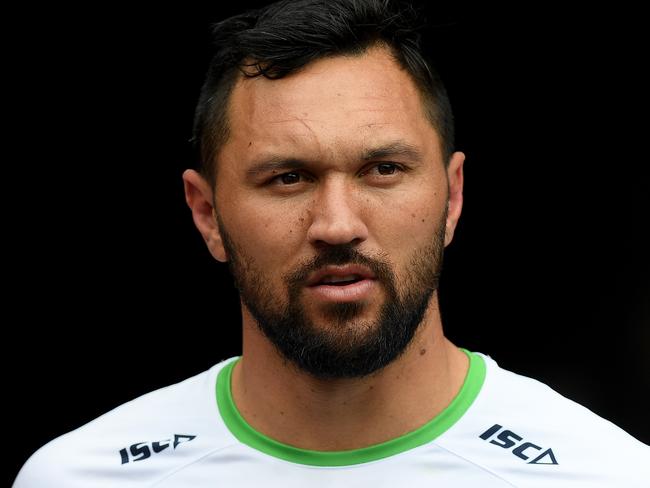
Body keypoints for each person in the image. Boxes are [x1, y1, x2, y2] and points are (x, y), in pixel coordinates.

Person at [13, 0, 649, 486]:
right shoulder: (82, 477)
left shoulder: (601, 474)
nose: (338, 224)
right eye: (288, 178)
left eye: (383, 170)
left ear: (452, 198)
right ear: (207, 214)